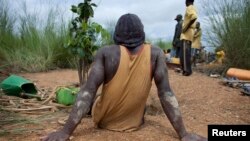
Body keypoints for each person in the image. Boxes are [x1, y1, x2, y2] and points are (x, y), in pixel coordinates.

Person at [42, 13, 206, 141]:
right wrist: (183, 134)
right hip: (135, 124)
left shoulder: (106, 53)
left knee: (94, 96)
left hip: (102, 120)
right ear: (141, 33)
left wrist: (65, 131)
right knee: (142, 102)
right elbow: (166, 94)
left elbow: (87, 92)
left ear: (117, 34)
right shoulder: (156, 54)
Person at [180, 0, 198, 76]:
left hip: (187, 33)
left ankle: (186, 71)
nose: (185, 3)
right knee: (187, 53)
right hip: (189, 32)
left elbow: (194, 17)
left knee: (184, 53)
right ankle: (187, 70)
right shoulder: (193, 7)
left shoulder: (189, 7)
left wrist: (185, 27)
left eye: (185, 1)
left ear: (188, 1)